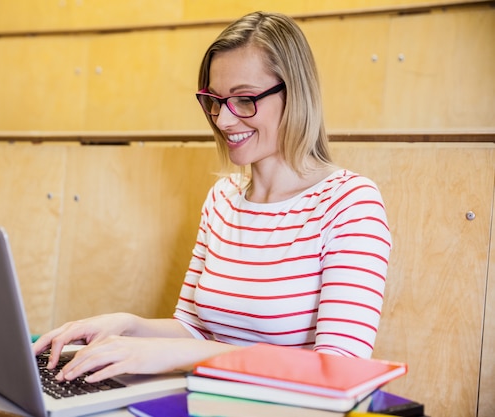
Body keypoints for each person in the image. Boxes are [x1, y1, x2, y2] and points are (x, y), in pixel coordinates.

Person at [33, 11, 391, 384]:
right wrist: (128, 326)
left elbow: (339, 369)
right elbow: (194, 330)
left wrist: (180, 355)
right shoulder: (222, 198)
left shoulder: (350, 203)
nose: (222, 120)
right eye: (215, 100)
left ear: (296, 94)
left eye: (244, 99)